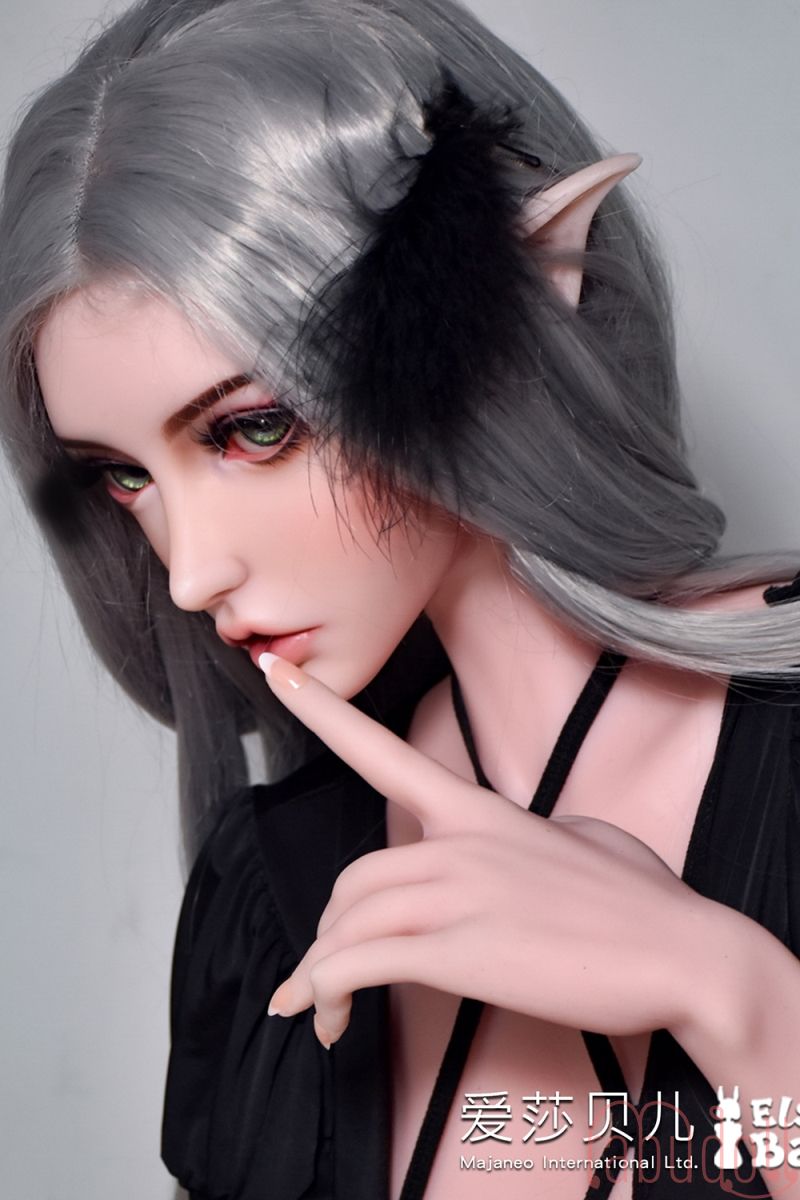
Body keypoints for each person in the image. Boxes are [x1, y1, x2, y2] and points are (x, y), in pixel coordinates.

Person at [1, 1, 798, 1198]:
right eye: (125, 475)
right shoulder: (269, 893)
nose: (187, 572)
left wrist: (736, 998)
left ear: (514, 303)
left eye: (252, 428)